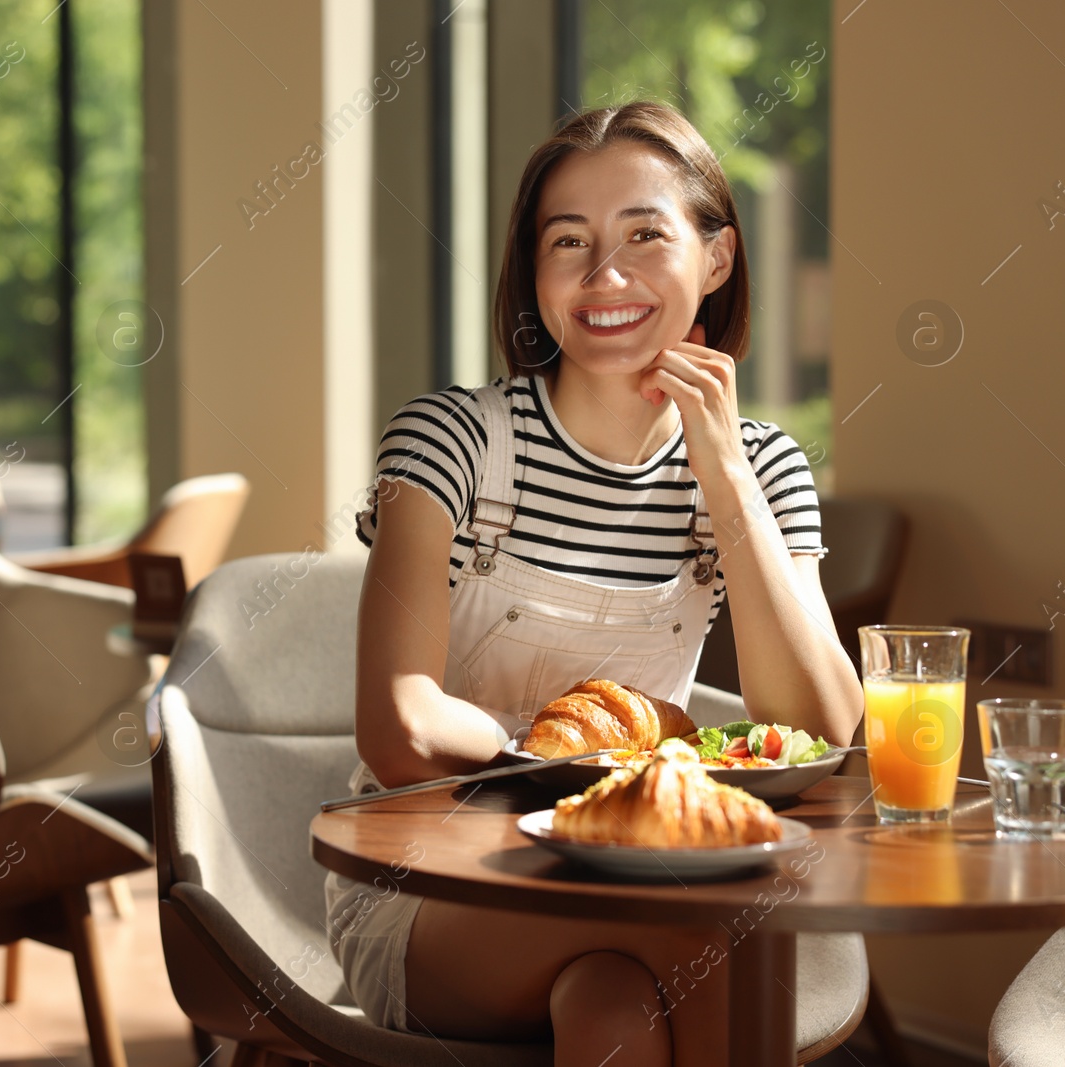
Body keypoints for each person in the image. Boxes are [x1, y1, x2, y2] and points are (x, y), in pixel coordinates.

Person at [323, 101, 865, 1066]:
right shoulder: (451, 441)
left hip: (646, 874)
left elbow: (821, 725)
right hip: (435, 887)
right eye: (566, 240)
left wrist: (727, 481)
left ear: (719, 258)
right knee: (706, 930)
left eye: (646, 235)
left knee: (615, 1011)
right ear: (534, 273)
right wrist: (570, 770)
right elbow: (399, 729)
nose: (603, 276)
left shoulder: (764, 466)